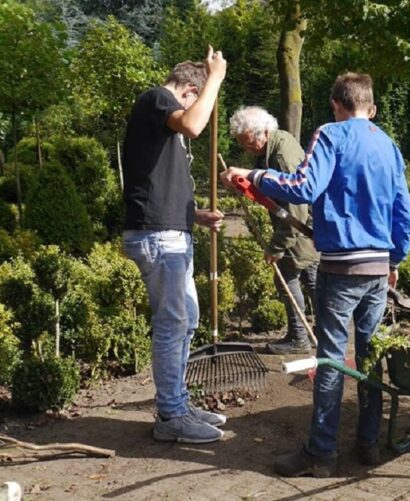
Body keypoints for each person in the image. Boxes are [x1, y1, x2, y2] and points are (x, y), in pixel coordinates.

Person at [220, 72, 410, 477]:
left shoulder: (330, 134)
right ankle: (369, 445)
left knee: (330, 361)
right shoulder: (389, 145)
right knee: (370, 358)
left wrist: (253, 176)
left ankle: (321, 453)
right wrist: (394, 262)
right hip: (378, 271)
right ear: (372, 108)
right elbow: (406, 215)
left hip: (341, 269)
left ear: (335, 105)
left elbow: (304, 186)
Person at [121, 47, 228, 443]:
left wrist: (194, 215)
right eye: (194, 98)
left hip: (170, 231)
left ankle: (178, 402)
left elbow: (157, 182)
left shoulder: (162, 111)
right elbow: (195, 125)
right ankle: (170, 416)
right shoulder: (158, 98)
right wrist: (214, 78)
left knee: (188, 319)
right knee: (171, 325)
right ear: (187, 90)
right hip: (158, 239)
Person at [229, 106, 320, 355]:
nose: (248, 150)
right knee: (312, 279)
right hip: (304, 226)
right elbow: (269, 186)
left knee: (288, 278)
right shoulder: (275, 143)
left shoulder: (281, 156)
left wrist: (276, 247)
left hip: (299, 227)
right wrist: (243, 184)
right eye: (244, 145)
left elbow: (296, 208)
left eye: (249, 144)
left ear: (264, 132)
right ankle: (326, 335)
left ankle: (299, 338)